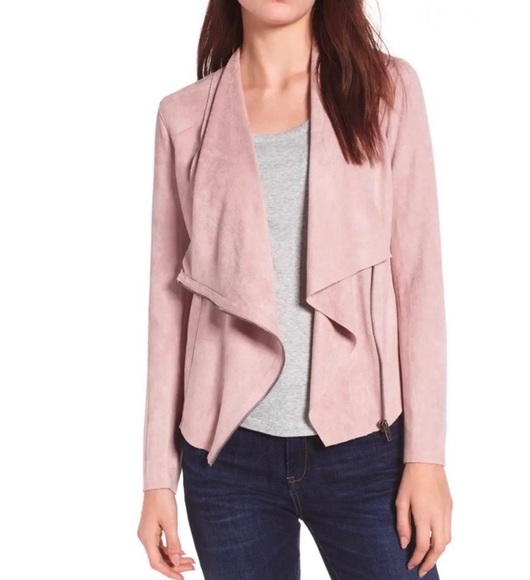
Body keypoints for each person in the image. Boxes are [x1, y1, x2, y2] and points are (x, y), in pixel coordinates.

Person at [137, 1, 453, 578]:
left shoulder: (386, 91)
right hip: (226, 461)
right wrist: (158, 479)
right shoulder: (183, 118)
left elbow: (419, 281)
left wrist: (426, 458)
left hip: (368, 450)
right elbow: (168, 305)